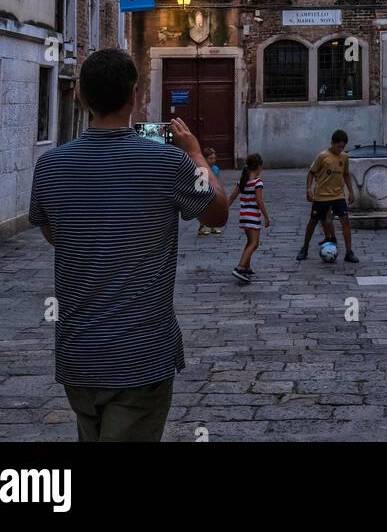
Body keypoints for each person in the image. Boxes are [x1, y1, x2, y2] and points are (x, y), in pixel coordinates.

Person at [29, 48, 228, 443]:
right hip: (140, 356)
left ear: (81, 97)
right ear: (135, 96)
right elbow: (218, 213)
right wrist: (194, 154)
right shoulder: (168, 162)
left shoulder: (49, 167)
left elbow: (53, 234)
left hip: (79, 356)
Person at [296, 129, 359, 263]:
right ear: (332, 143)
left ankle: (349, 252)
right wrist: (309, 189)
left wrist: (351, 191)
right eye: (338, 146)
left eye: (342, 147)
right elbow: (311, 173)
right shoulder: (322, 156)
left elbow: (346, 174)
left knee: (345, 221)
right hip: (321, 196)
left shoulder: (345, 157)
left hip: (338, 196)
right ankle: (305, 248)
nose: (340, 149)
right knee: (313, 221)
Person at [228, 153, 270, 282]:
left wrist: (225, 209)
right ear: (258, 167)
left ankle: (246, 267)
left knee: (249, 242)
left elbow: (232, 197)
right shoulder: (257, 182)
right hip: (252, 216)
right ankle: (240, 267)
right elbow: (259, 200)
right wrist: (266, 217)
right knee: (254, 243)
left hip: (243, 216)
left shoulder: (242, 181)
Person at [197, 146, 223, 237]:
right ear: (205, 159)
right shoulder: (201, 168)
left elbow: (216, 180)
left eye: (214, 158)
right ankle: (202, 227)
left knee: (214, 210)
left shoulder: (216, 169)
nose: (213, 160)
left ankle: (213, 226)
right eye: (210, 158)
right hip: (203, 192)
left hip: (213, 191)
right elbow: (198, 184)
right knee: (204, 210)